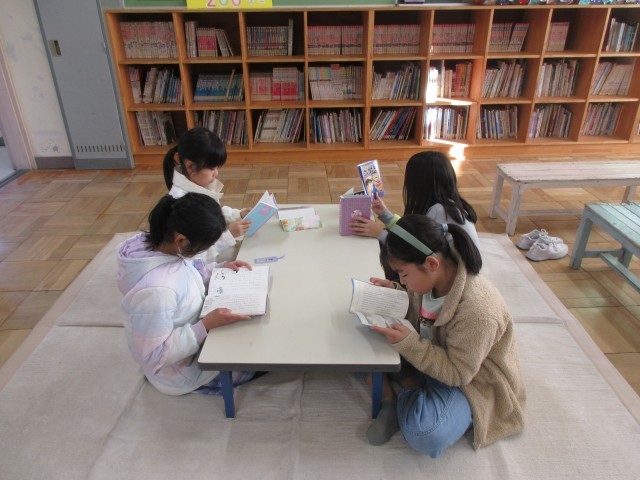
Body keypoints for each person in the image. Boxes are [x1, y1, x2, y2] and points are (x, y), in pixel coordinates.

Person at [364, 214, 526, 456]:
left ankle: (406, 385)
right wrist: (397, 292)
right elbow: (422, 308)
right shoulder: (435, 278)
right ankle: (392, 395)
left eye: (403, 274)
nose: (402, 281)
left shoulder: (479, 311)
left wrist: (410, 345)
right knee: (360, 341)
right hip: (433, 352)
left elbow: (459, 374)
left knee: (426, 433)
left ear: (432, 263)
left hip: (472, 382)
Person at [117, 193, 256, 396]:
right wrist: (205, 325)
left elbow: (191, 271)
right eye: (204, 247)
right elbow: (153, 355)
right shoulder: (156, 291)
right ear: (181, 240)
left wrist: (218, 270)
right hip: (182, 370)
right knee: (257, 353)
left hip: (195, 324)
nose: (206, 251)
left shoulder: (161, 245)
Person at [350, 151, 480, 249]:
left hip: (455, 274)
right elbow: (414, 235)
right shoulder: (448, 204)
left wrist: (380, 233)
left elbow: (416, 250)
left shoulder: (439, 211)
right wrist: (385, 215)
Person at [163, 127, 251, 263]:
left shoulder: (198, 183)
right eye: (212, 168)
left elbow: (214, 213)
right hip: (205, 264)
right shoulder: (182, 205)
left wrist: (237, 214)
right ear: (190, 167)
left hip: (218, 249)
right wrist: (229, 235)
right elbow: (193, 256)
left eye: (217, 167)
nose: (216, 173)